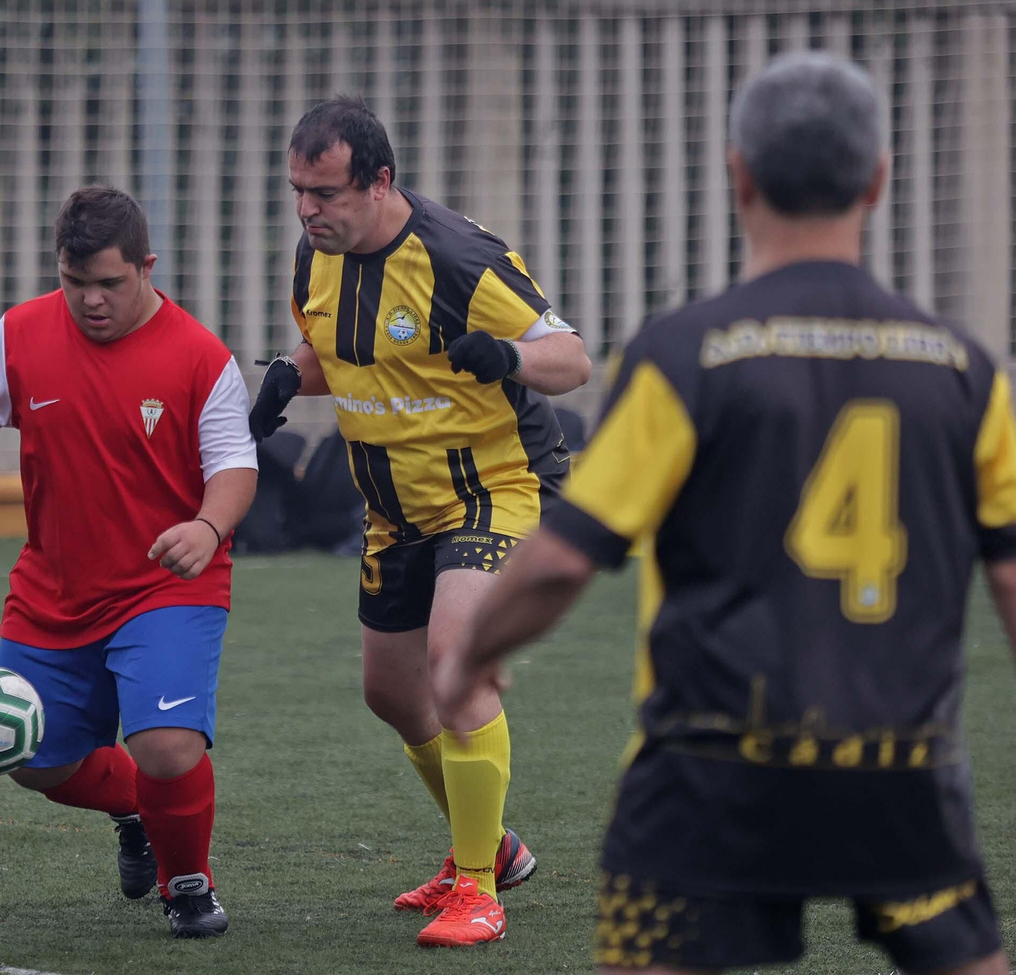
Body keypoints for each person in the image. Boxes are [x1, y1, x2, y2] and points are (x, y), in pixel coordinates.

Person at [432, 52, 1012, 975]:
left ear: (736, 173)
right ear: (880, 178)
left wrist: (468, 654)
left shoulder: (683, 355)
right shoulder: (965, 369)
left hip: (713, 763)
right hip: (900, 761)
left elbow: (561, 560)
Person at [247, 96, 589, 947]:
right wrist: (291, 378)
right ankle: (492, 848)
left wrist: (507, 354)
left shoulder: (459, 257)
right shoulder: (313, 257)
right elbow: (347, 353)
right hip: (396, 507)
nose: (308, 210)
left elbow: (574, 359)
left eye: (325, 193)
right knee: (392, 693)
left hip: (496, 488)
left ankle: (477, 889)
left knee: (454, 661)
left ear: (380, 181)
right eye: (298, 191)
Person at [0, 186, 257, 939]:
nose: (90, 301)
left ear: (146, 267)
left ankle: (189, 883)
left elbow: (235, 467)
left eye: (109, 283)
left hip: (168, 583)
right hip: (55, 587)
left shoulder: (200, 355)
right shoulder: (21, 331)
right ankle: (135, 810)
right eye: (74, 282)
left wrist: (209, 529)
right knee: (27, 759)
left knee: (166, 745)